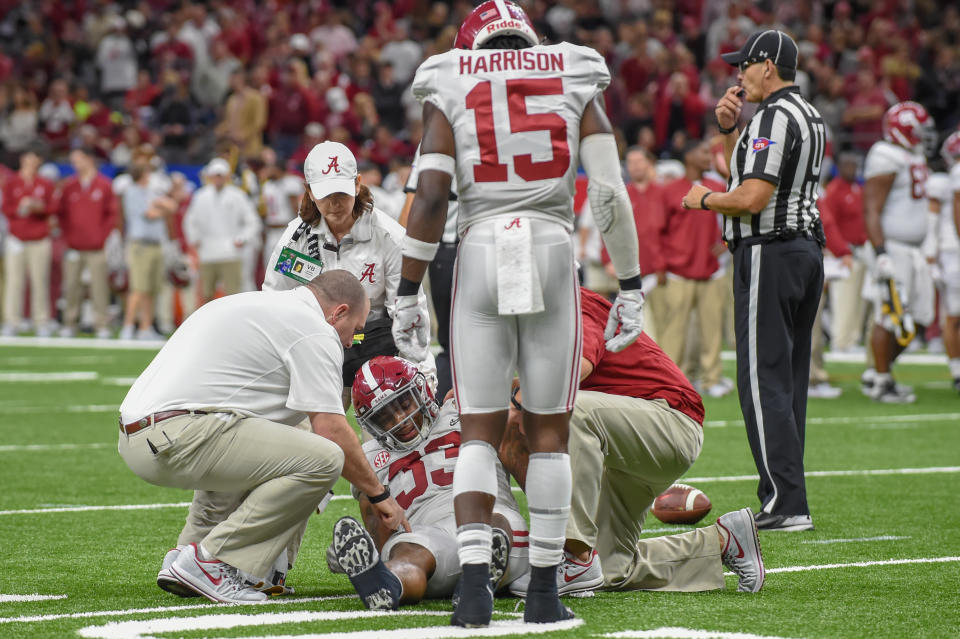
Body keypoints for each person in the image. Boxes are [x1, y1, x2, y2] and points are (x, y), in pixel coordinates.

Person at [397, 1, 645, 626]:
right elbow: (609, 192)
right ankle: (542, 592)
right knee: (549, 436)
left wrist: (407, 292)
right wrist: (632, 283)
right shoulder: (574, 70)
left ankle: (475, 591)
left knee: (477, 430)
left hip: (480, 245)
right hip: (551, 246)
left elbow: (429, 196)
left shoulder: (449, 76)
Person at [118, 270, 409, 604]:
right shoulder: (313, 329)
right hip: (179, 434)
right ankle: (213, 560)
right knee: (325, 457)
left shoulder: (259, 304)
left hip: (142, 434)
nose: (349, 343)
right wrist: (379, 494)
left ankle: (189, 551)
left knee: (285, 430)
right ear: (338, 312)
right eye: (354, 332)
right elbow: (331, 430)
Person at [498, 287, 764, 595]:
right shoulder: (531, 309)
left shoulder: (569, 303)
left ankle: (571, 554)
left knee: (563, 409)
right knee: (610, 570)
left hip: (670, 422)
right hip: (624, 441)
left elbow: (576, 367)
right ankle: (723, 541)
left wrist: (515, 399)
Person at [681, 30, 826, 532]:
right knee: (786, 382)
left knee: (763, 382)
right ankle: (789, 496)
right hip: (803, 251)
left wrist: (701, 198)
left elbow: (750, 198)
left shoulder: (772, 116)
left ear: (768, 66)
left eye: (745, 65)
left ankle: (785, 502)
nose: (737, 75)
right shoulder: (807, 114)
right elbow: (750, 173)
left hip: (772, 252)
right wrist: (728, 130)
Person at [327, 355, 528, 611]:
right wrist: (370, 549)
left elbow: (527, 389)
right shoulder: (369, 459)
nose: (399, 419)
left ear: (422, 389)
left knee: (496, 524)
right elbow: (379, 529)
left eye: (404, 402)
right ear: (371, 425)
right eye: (384, 417)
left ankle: (479, 577)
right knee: (407, 552)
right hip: (429, 534)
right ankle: (386, 583)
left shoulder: (462, 409)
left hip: (491, 516)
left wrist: (493, 389)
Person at [262, 141, 432, 403]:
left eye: (341, 192)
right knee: (317, 441)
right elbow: (275, 301)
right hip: (316, 350)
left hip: (378, 352)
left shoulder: (389, 236)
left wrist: (421, 374)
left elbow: (408, 309)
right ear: (308, 191)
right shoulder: (294, 240)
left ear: (357, 184)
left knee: (387, 438)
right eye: (324, 194)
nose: (334, 203)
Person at [861, 102, 937, 403]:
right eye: (919, 130)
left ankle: (881, 370)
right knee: (889, 315)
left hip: (914, 251)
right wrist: (880, 252)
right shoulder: (885, 154)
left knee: (920, 316)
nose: (925, 136)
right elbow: (872, 209)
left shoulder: (911, 154)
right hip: (892, 247)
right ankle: (881, 381)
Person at [655, 139, 730, 397]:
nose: (709, 156)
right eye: (703, 151)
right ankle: (670, 381)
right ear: (688, 157)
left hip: (712, 271)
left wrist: (726, 242)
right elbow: (658, 230)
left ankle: (711, 380)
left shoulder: (718, 187)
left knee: (712, 331)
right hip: (677, 271)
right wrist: (662, 266)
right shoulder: (669, 191)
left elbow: (735, 219)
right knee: (673, 332)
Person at [399, 146, 459, 401]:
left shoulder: (439, 132)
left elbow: (419, 201)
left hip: (450, 249)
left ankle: (446, 421)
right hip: (510, 243)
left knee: (450, 345)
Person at [56, 147, 119, 338]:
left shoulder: (104, 185)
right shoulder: (70, 185)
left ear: (88, 160)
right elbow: (61, 214)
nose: (74, 165)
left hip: (97, 246)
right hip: (74, 245)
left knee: (99, 286)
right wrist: (68, 237)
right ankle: (69, 322)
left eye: (77, 160)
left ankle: (101, 323)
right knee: (71, 285)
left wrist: (102, 236)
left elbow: (112, 215)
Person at [183, 158, 261, 304]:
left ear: (226, 176)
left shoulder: (237, 196)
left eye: (221, 175)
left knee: (233, 296)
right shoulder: (201, 196)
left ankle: (232, 326)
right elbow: (190, 221)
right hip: (207, 253)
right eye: (215, 175)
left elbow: (253, 221)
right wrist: (194, 240)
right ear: (210, 176)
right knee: (206, 296)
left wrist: (242, 239)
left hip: (230, 253)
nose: (218, 178)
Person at [2, 148, 56, 337]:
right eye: (28, 159)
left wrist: (37, 207)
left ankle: (41, 321)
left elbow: (52, 209)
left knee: (39, 281)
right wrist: (20, 207)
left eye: (34, 160)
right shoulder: (12, 182)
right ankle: (12, 321)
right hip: (16, 239)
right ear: (23, 160)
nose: (31, 164)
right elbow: (6, 208)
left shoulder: (45, 183)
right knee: (14, 282)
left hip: (39, 239)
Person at [118, 160, 174, 341]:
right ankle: (127, 326)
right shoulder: (132, 192)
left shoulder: (150, 192)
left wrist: (161, 207)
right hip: (140, 244)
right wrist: (162, 209)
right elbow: (150, 214)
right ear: (141, 175)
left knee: (151, 289)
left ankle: (145, 327)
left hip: (155, 243)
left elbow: (172, 206)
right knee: (138, 288)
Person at [823, 152, 868, 353]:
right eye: (848, 164)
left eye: (854, 164)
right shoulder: (834, 191)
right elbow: (828, 224)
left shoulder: (859, 188)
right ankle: (840, 341)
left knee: (858, 298)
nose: (852, 168)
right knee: (842, 298)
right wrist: (837, 250)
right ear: (840, 167)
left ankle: (852, 339)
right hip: (843, 252)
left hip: (861, 250)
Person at [926, 132, 960, 393]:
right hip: (953, 251)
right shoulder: (952, 175)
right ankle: (957, 371)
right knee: (953, 315)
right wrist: (931, 253)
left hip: (950, 251)